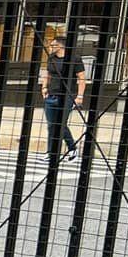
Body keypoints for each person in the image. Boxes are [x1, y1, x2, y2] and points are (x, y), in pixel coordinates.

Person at [41, 26, 89, 162]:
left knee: (60, 123)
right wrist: (44, 87)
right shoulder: (51, 58)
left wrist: (79, 96)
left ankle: (72, 148)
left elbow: (81, 78)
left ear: (60, 46)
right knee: (51, 124)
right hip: (51, 94)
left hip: (67, 95)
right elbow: (48, 73)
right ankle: (51, 152)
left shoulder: (74, 59)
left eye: (53, 45)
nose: (50, 47)